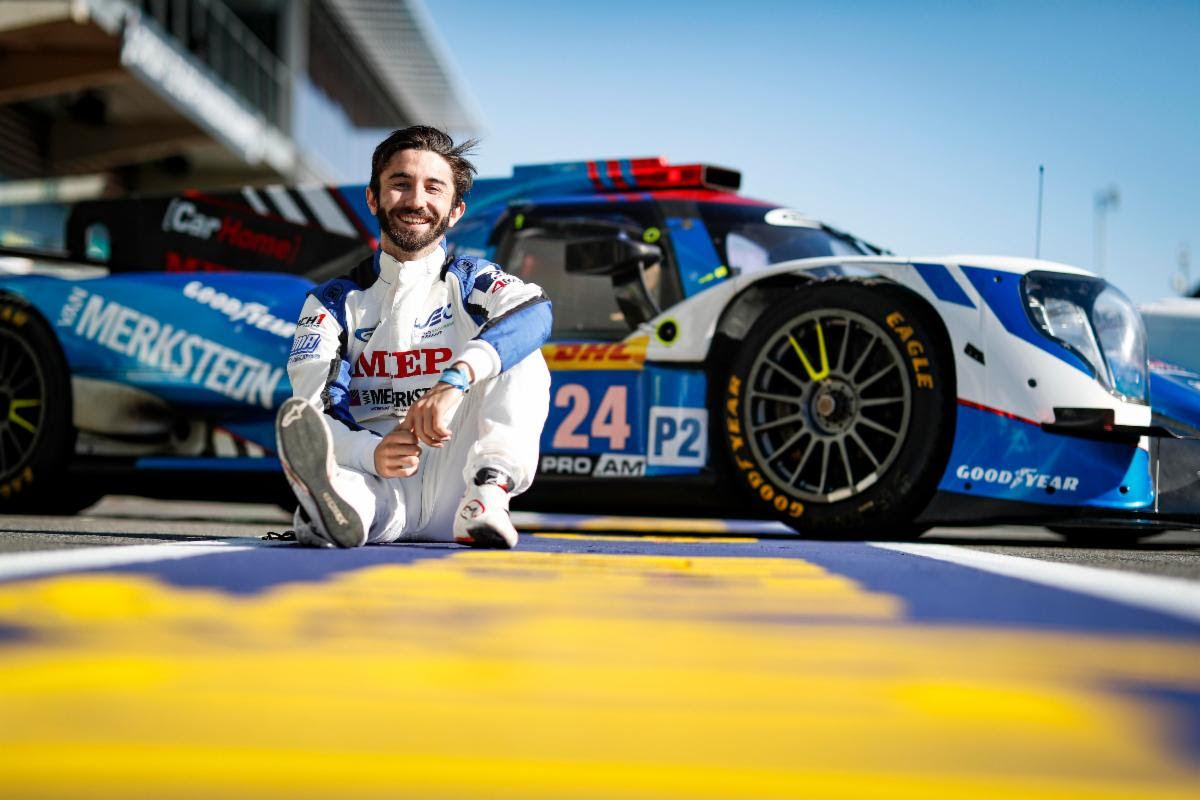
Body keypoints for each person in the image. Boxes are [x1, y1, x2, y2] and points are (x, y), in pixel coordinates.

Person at [274, 126, 552, 549]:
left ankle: (489, 495)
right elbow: (311, 413)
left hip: (461, 480)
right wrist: (372, 454)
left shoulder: (473, 280)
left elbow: (535, 313)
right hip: (380, 476)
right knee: (352, 491)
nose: (416, 201)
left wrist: (455, 380)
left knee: (519, 352)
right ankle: (330, 508)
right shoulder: (331, 303)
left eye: (433, 188)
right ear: (373, 198)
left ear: (455, 210)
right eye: (400, 184)